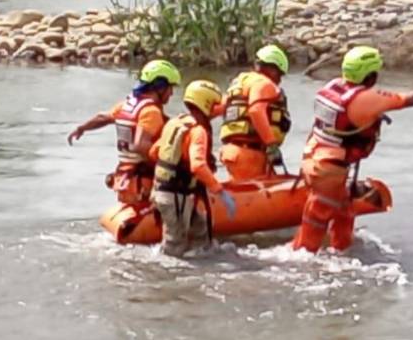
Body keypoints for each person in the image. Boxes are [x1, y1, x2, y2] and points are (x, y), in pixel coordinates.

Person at [292, 46, 413, 253]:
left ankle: (342, 250)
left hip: (312, 159)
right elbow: (409, 99)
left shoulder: (332, 87)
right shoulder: (365, 99)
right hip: (329, 170)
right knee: (316, 221)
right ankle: (301, 260)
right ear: (370, 75)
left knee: (344, 209)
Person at [67, 59, 181, 207]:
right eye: (170, 88)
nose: (171, 93)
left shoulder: (128, 106)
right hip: (144, 183)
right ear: (160, 87)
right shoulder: (151, 112)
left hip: (125, 180)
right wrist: (170, 162)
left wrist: (82, 128)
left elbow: (103, 117)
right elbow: (140, 145)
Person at [150, 80, 237, 257]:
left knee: (200, 228)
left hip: (160, 191)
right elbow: (197, 165)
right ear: (206, 104)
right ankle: (163, 272)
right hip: (175, 196)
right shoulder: (198, 131)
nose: (215, 110)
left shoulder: (175, 123)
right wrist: (219, 190)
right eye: (213, 105)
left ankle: (202, 264)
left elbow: (154, 152)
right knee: (175, 245)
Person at [219, 45, 292, 181]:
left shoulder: (240, 82)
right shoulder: (264, 83)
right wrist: (271, 145)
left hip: (232, 151)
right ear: (272, 69)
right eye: (279, 74)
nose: (279, 80)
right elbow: (256, 110)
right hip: (249, 155)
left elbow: (219, 108)